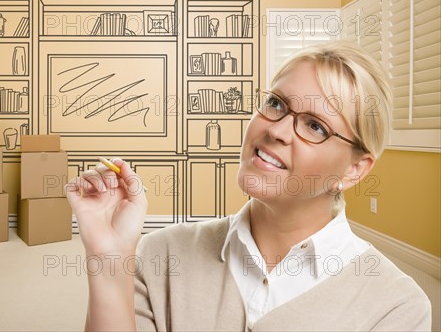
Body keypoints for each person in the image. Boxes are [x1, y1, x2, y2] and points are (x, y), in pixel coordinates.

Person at [65, 41, 432, 331]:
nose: (275, 129)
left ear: (354, 170)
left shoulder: (397, 306)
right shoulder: (161, 252)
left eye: (315, 126)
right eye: (275, 103)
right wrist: (110, 262)